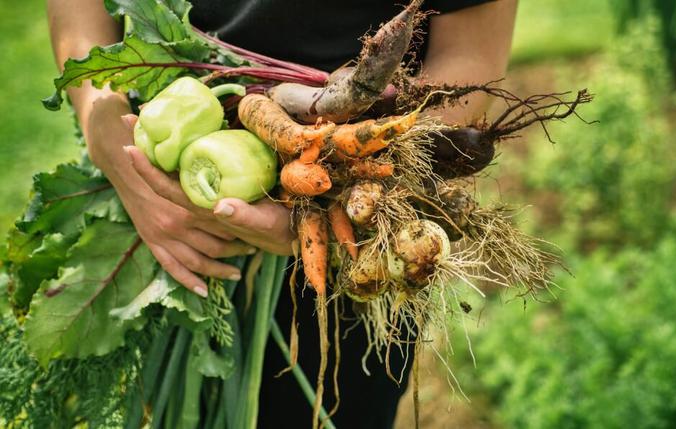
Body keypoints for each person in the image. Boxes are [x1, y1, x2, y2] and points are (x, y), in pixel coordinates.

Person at [47, 0, 516, 427]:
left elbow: (471, 53)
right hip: (155, 199)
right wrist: (103, 122)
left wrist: (339, 193)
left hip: (354, 235)